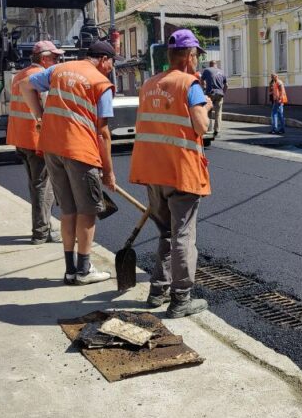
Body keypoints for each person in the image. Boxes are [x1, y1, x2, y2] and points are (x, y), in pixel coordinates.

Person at [19, 40, 118, 285]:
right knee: (87, 212)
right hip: (80, 151)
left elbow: (24, 86)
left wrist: (40, 118)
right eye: (111, 64)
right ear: (104, 60)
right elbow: (103, 132)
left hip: (52, 148)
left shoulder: (59, 70)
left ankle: (70, 270)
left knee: (68, 211)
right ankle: (84, 270)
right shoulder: (100, 83)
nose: (110, 69)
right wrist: (108, 172)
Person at [129, 29, 213, 318]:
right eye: (195, 56)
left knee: (165, 232)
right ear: (190, 57)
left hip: (152, 171)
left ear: (169, 55)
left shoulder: (149, 85)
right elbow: (202, 127)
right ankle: (181, 300)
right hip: (181, 171)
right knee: (183, 236)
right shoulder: (190, 85)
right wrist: (207, 107)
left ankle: (157, 290)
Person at [6, 41, 61, 245]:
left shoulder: (19, 75)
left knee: (36, 185)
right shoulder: (40, 79)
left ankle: (44, 226)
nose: (58, 61)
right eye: (55, 58)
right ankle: (41, 232)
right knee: (43, 187)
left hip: (21, 138)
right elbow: (48, 110)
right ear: (44, 58)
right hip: (36, 140)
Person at [201, 60, 226, 137]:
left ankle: (208, 128)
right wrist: (223, 93)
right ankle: (216, 130)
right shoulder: (222, 72)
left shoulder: (207, 70)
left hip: (210, 94)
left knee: (208, 111)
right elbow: (226, 85)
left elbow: (202, 80)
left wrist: (204, 88)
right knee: (218, 113)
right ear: (216, 65)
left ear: (210, 65)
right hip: (220, 94)